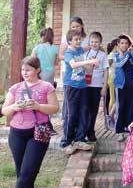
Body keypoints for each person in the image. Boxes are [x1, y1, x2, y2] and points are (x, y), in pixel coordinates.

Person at [2, 56, 59, 188]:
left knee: (27, 173)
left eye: (28, 70)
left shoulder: (46, 86)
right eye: (23, 69)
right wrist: (14, 107)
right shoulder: (15, 87)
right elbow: (4, 110)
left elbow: (55, 108)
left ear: (37, 70)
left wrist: (38, 107)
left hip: (38, 133)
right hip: (16, 135)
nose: (24, 72)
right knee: (22, 174)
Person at [61, 30, 99, 154]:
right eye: (76, 40)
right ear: (69, 41)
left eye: (79, 39)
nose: (79, 41)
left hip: (82, 86)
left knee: (84, 113)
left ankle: (80, 139)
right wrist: (89, 62)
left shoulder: (81, 51)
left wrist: (92, 65)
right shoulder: (68, 53)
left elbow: (85, 67)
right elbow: (73, 65)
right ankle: (66, 142)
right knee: (71, 115)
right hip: (71, 86)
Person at [59, 17, 88, 121]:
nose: (75, 28)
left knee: (81, 105)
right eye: (73, 27)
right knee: (70, 103)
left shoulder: (86, 38)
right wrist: (74, 59)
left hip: (82, 73)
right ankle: (67, 123)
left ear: (82, 26)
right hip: (70, 71)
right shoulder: (66, 38)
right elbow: (61, 55)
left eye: (77, 26)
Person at [85, 31, 108, 142]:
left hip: (97, 85)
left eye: (96, 42)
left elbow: (106, 70)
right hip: (85, 85)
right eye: (92, 42)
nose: (94, 44)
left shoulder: (103, 55)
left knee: (93, 110)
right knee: (85, 109)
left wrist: (104, 87)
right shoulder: (85, 54)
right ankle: (83, 131)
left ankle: (91, 131)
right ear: (89, 42)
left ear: (100, 43)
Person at [113, 34, 133, 141]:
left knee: (131, 107)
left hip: (131, 85)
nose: (125, 45)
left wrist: (128, 35)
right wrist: (127, 54)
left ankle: (130, 129)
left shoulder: (131, 54)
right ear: (118, 44)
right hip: (120, 85)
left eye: (127, 43)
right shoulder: (116, 55)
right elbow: (119, 65)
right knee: (120, 107)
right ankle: (119, 131)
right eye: (122, 43)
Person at [106, 38, 119, 115]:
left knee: (115, 98)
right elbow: (107, 67)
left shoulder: (116, 54)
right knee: (113, 98)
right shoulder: (111, 55)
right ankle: (110, 116)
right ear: (115, 46)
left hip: (116, 78)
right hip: (112, 78)